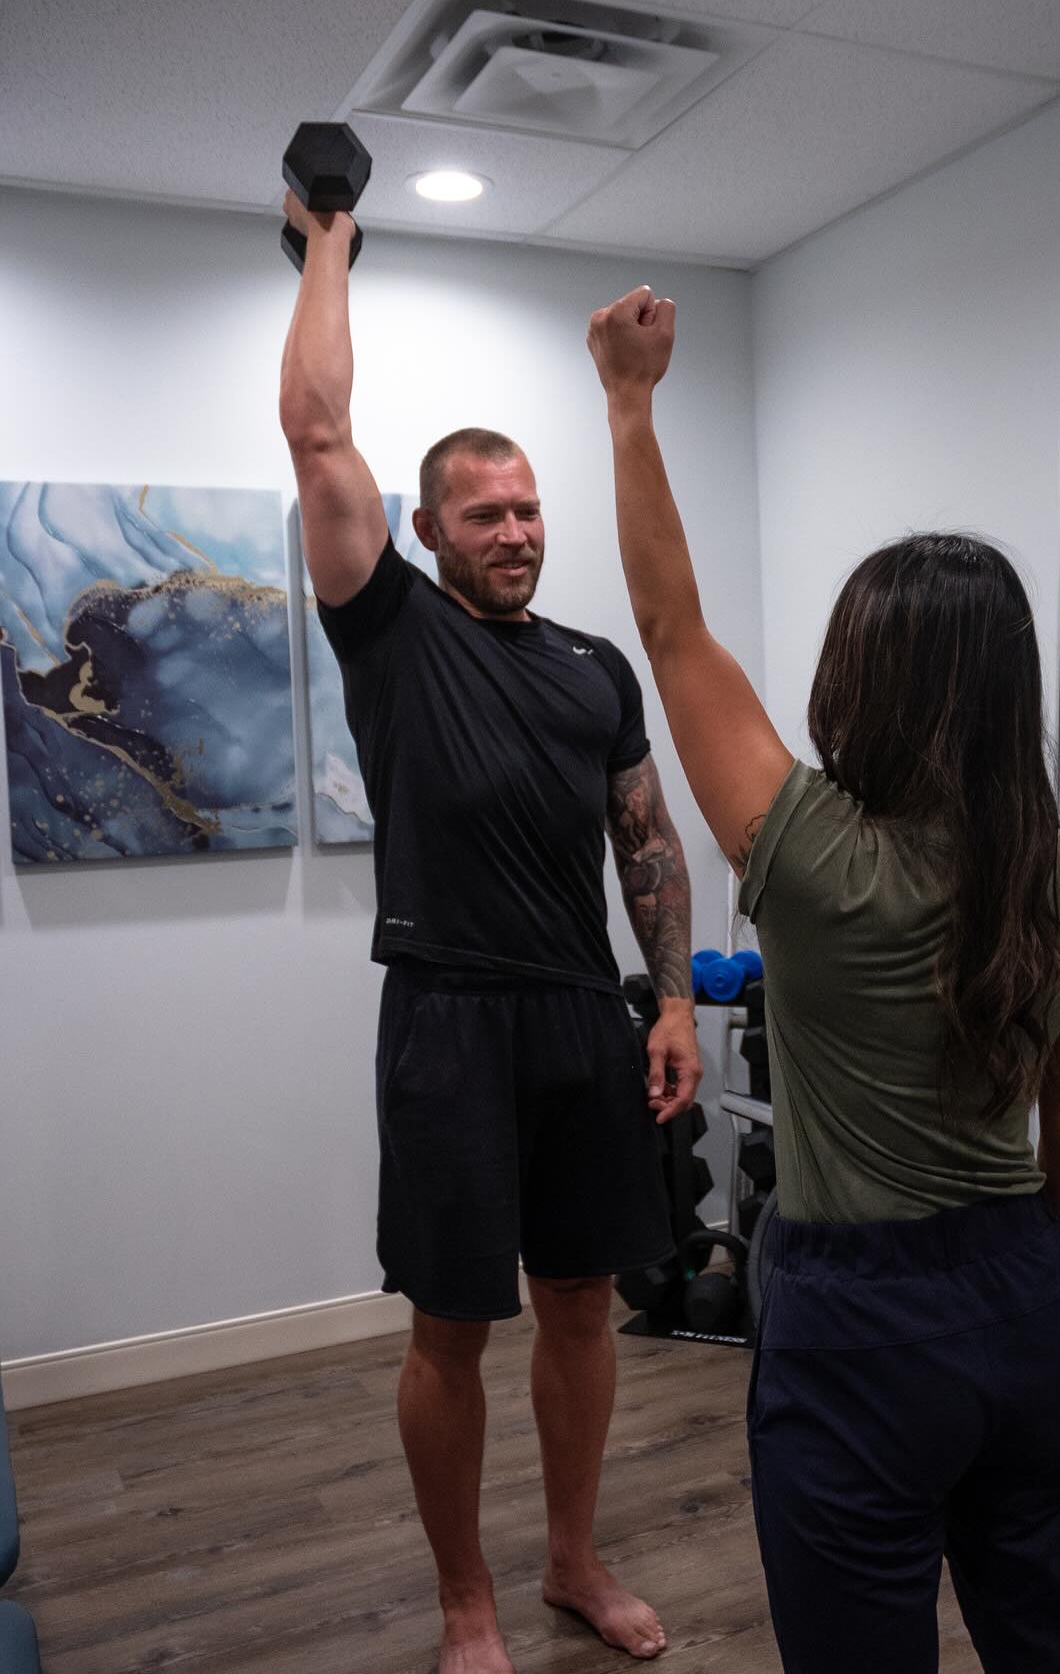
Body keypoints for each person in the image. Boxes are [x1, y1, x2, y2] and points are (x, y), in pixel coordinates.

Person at [587, 286, 1060, 1673]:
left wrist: (631, 401)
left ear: (860, 679)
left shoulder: (814, 851)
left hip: (856, 1324)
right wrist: (1023, 1287)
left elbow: (670, 629)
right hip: (1020, 1295)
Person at [278, 198, 703, 1674]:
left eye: (530, 510)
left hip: (584, 1018)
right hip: (448, 1018)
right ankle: (467, 1602)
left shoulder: (592, 670)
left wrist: (671, 1003)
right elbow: (319, 433)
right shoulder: (390, 631)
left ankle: (574, 1561)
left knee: (582, 1306)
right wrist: (328, 235)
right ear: (428, 528)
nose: (517, 533)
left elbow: (647, 844)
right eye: (487, 514)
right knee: (452, 1326)